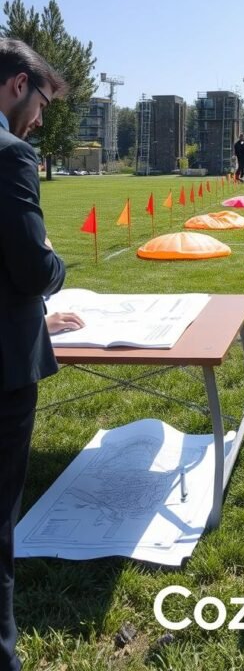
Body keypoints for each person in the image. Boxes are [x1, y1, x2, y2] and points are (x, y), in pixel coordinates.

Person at [0, 38, 82, 671]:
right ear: (17, 84)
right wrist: (53, 264)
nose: (41, 119)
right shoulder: (12, 156)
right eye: (44, 101)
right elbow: (31, 268)